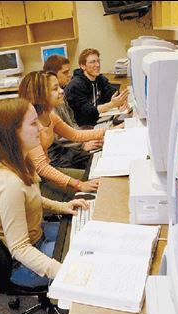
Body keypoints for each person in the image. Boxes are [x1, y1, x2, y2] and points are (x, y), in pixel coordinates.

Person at [0, 98, 89, 286]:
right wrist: (65, 272)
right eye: (33, 123)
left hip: (38, 234)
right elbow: (20, 249)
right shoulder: (9, 184)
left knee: (89, 239)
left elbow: (32, 198)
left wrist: (62, 206)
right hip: (24, 263)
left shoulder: (21, 162)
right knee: (87, 266)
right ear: (12, 132)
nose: (40, 128)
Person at [18, 71, 105, 202]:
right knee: (91, 195)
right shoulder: (29, 124)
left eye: (59, 86)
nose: (61, 91)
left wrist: (108, 132)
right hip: (32, 183)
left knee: (100, 181)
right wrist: (79, 185)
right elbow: (41, 168)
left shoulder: (49, 115)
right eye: (55, 89)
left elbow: (75, 135)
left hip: (46, 173)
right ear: (39, 94)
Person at [43, 55, 103, 170]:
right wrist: (83, 145)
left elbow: (72, 127)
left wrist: (89, 138)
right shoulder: (50, 108)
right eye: (65, 73)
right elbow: (61, 138)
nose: (69, 76)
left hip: (71, 148)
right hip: (62, 156)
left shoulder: (60, 96)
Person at [64, 48, 130, 128]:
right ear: (83, 66)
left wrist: (121, 102)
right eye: (92, 62)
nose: (97, 65)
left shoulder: (100, 78)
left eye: (98, 61)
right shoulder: (75, 86)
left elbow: (112, 94)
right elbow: (86, 111)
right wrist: (111, 104)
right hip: (85, 127)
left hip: (99, 120)